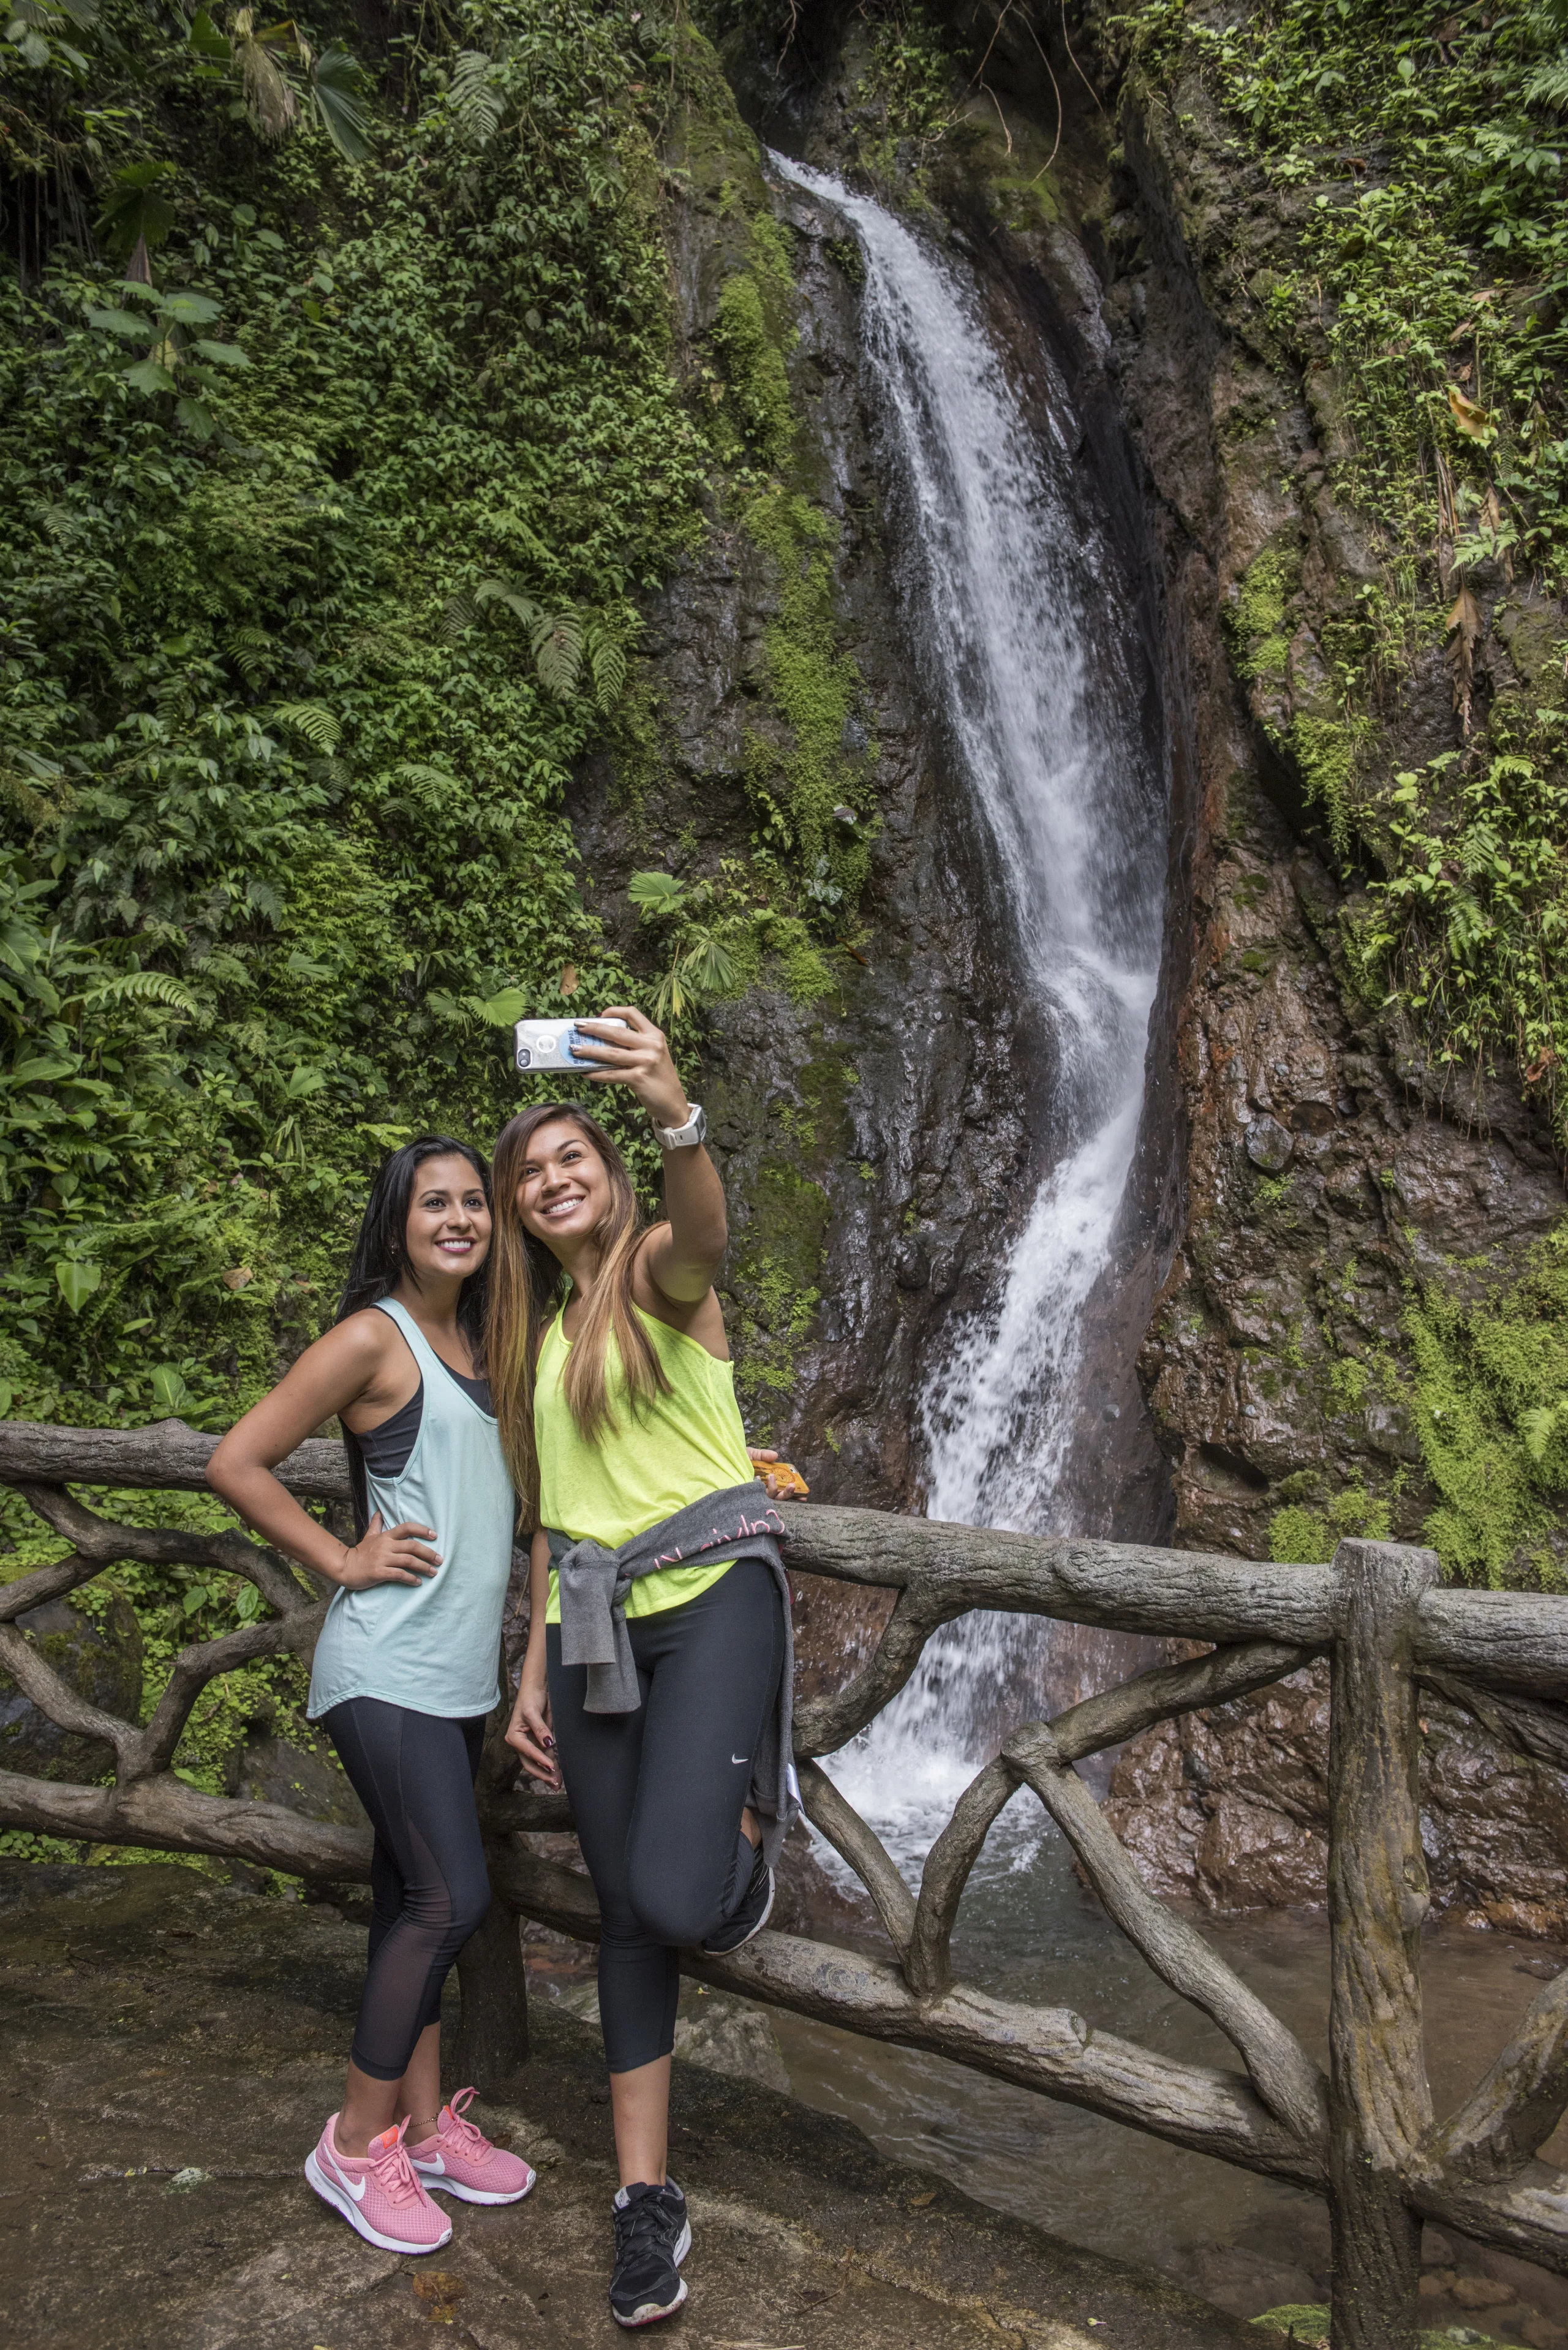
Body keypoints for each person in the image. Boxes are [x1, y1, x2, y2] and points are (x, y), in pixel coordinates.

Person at [496, 1007, 798, 2331]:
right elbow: (559, 1520)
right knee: (620, 1906)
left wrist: (674, 1108)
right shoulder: (547, 1340)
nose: (556, 1177)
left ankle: (748, 1818)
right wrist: (530, 1658)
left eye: (574, 1156)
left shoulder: (666, 1277)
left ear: (608, 1179)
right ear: (520, 1206)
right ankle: (642, 2201)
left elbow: (707, 1223)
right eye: (533, 1170)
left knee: (676, 1888)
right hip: (593, 1626)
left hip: (716, 1594)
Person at [207, 1136, 535, 2257]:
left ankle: (426, 2130)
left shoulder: (489, 1339)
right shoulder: (372, 1337)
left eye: (474, 1203)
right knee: (453, 1901)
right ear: (397, 1222)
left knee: (413, 1905)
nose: (460, 1218)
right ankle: (353, 2147)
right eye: (433, 1203)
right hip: (384, 1667)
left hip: (455, 1680)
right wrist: (342, 1560)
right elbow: (238, 1460)